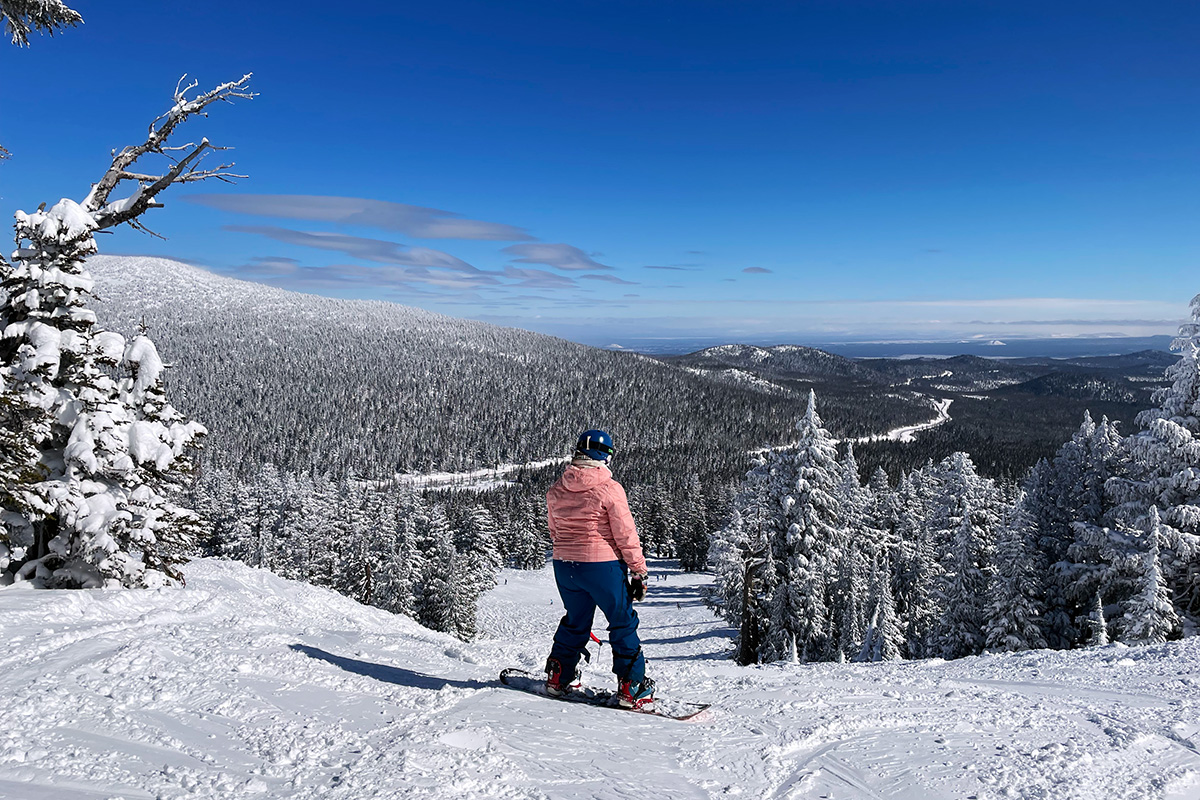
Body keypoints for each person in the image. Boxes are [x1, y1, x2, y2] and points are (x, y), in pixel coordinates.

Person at [543, 429, 654, 709]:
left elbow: (554, 530)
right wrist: (638, 570)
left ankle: (558, 676)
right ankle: (632, 688)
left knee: (576, 619)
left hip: (565, 565)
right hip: (601, 565)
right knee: (622, 621)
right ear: (605, 456)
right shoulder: (610, 488)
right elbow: (625, 534)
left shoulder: (557, 488)